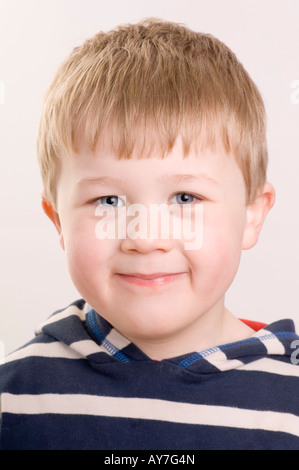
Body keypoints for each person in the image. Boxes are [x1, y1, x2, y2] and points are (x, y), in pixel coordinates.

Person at [1, 18, 299, 450]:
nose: (145, 238)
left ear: (251, 216)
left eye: (184, 198)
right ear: (59, 222)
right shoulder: (16, 399)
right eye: (108, 201)